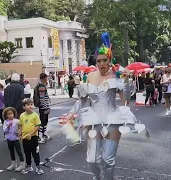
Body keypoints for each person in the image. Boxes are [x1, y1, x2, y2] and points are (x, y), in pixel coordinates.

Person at [64, 32, 142, 180]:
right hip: (93, 121)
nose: (101, 64)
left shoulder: (116, 75)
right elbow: (82, 99)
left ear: (109, 60)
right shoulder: (90, 76)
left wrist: (126, 81)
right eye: (98, 60)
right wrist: (70, 114)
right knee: (92, 160)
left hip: (113, 120)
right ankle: (98, 177)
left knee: (108, 160)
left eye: (104, 60)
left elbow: (126, 100)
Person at [18, 98, 44, 175]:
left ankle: (38, 167)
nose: (30, 106)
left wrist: (30, 134)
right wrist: (20, 133)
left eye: (31, 104)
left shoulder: (35, 115)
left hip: (33, 138)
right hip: (25, 138)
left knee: (35, 152)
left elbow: (37, 126)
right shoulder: (22, 115)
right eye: (28, 105)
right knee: (27, 153)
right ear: (24, 107)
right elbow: (20, 125)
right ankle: (29, 166)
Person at [2, 107, 26, 171]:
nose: (10, 115)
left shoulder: (17, 121)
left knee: (19, 152)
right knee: (11, 152)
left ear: (14, 114)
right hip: (9, 139)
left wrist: (20, 133)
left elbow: (21, 128)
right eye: (8, 114)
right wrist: (8, 126)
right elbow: (4, 130)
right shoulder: (5, 122)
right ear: (6, 115)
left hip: (16, 139)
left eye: (11, 114)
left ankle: (22, 165)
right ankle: (13, 164)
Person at [33, 73, 51, 144]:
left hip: (43, 107)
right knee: (43, 121)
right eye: (46, 78)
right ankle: (40, 136)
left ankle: (43, 134)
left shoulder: (41, 86)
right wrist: (46, 107)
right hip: (43, 107)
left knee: (45, 121)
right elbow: (42, 98)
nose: (47, 79)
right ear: (44, 78)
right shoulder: (41, 87)